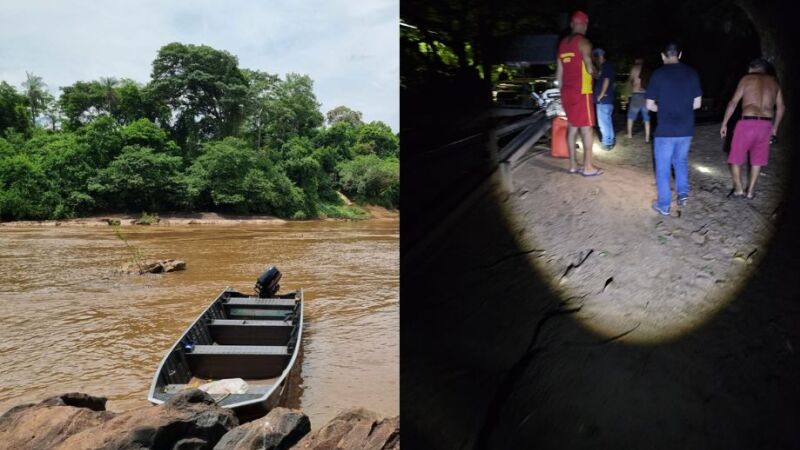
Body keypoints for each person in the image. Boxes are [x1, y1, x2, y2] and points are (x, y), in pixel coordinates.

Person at [645, 42, 702, 215]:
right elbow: (697, 104)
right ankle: (683, 193)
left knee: (663, 166)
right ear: (680, 54)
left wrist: (664, 109)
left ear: (663, 56)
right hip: (686, 129)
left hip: (665, 130)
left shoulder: (658, 74)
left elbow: (649, 105)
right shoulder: (691, 73)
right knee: (681, 161)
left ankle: (664, 205)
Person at [720, 57, 785, 199]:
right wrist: (775, 129)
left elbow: (733, 103)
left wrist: (725, 123)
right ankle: (750, 192)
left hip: (747, 123)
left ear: (751, 68)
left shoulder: (746, 79)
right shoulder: (774, 82)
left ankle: (738, 189)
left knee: (735, 157)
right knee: (758, 160)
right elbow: (781, 107)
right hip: (766, 125)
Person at [556, 10, 602, 176]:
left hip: (566, 92)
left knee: (572, 127)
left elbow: (559, 74)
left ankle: (573, 165)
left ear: (571, 24)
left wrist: (562, 95)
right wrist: (598, 73)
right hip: (582, 92)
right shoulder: (584, 42)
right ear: (585, 24)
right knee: (587, 129)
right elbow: (590, 69)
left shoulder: (562, 44)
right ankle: (588, 167)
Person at [592, 48, 616, 150]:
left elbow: (606, 80)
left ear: (600, 57)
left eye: (595, 58)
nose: (595, 61)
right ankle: (611, 140)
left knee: (603, 123)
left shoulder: (606, 66)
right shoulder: (605, 67)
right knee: (607, 121)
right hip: (607, 99)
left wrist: (601, 94)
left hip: (604, 100)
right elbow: (600, 77)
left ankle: (607, 143)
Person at [627, 58, 651, 142]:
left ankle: (629, 135)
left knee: (631, 116)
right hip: (646, 94)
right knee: (646, 117)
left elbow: (630, 80)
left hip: (636, 93)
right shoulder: (647, 69)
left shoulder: (634, 68)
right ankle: (647, 138)